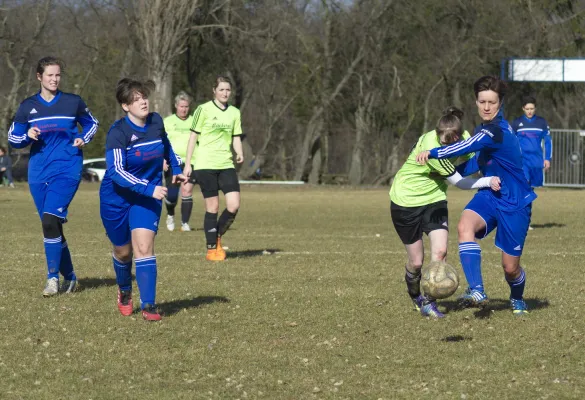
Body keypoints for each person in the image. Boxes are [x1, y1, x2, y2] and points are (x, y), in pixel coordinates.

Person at [416, 75, 536, 316]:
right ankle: (477, 289)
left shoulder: (496, 131)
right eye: (482, 102)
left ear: (500, 103)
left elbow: (464, 148)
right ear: (476, 102)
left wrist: (433, 153)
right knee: (464, 226)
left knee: (510, 268)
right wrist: (446, 176)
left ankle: (517, 298)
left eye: (492, 102)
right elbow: (476, 163)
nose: (487, 107)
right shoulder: (485, 130)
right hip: (491, 193)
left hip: (515, 202)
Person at [390, 107, 500, 318]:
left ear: (458, 136)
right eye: (441, 143)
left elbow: (474, 155)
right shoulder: (432, 149)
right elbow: (460, 182)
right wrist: (489, 181)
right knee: (416, 263)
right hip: (405, 202)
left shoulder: (465, 137)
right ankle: (415, 296)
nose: (444, 148)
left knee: (440, 253)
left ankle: (429, 301)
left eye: (448, 145)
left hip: (434, 201)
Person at [7, 56, 99, 296]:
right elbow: (12, 139)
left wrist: (83, 138)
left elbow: (92, 124)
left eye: (58, 75)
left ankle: (52, 279)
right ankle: (69, 277)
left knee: (50, 221)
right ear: (39, 77)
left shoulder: (73, 102)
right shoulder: (28, 106)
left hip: (67, 169)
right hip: (38, 172)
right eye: (50, 75)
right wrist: (28, 134)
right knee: (52, 226)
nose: (54, 79)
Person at [99, 78, 185, 321]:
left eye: (144, 97)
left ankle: (149, 306)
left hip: (147, 197)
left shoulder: (156, 122)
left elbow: (166, 146)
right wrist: (149, 187)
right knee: (123, 252)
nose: (143, 102)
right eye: (136, 99)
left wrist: (175, 167)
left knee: (144, 247)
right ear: (126, 106)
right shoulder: (118, 132)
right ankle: (125, 290)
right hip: (116, 198)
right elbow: (116, 172)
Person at [183, 76, 244, 261]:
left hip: (226, 164)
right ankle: (212, 249)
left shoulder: (234, 112)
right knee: (213, 207)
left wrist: (239, 152)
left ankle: (216, 236)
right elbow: (193, 137)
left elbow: (236, 136)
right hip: (205, 165)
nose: (225, 93)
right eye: (222, 89)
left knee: (234, 204)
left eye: (228, 90)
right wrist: (187, 163)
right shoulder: (203, 110)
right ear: (214, 91)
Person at [511, 95, 552, 230]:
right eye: (527, 108)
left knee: (530, 191)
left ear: (535, 108)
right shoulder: (517, 123)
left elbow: (547, 142)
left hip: (536, 163)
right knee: (524, 189)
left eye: (532, 108)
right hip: (522, 162)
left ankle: (526, 221)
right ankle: (520, 220)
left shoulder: (541, 123)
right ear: (523, 109)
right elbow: (511, 143)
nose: (529, 111)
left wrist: (547, 159)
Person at [163, 91, 196, 232]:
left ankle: (185, 223)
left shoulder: (195, 121)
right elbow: (162, 142)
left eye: (186, 106)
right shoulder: (168, 122)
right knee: (171, 196)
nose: (184, 109)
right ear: (176, 106)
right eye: (182, 106)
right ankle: (170, 214)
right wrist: (164, 159)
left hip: (191, 161)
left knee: (187, 189)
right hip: (172, 162)